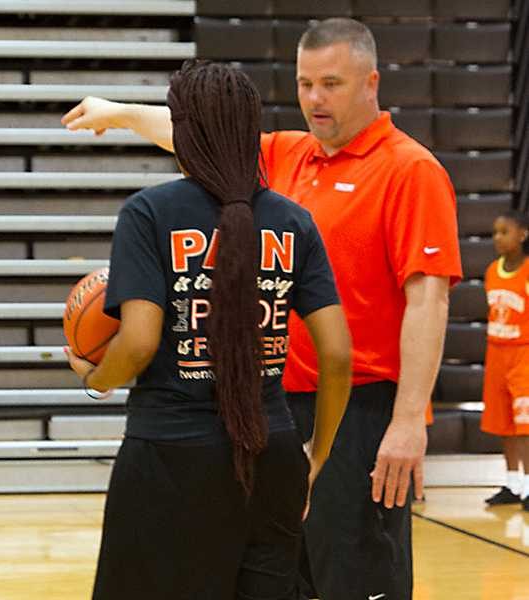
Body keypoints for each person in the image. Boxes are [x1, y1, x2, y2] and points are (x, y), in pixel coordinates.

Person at [62, 18, 462, 600]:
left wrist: (406, 422)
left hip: (360, 410)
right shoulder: (286, 156)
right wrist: (119, 112)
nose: (314, 99)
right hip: (272, 407)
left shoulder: (411, 169)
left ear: (372, 82)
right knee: (286, 578)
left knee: (351, 575)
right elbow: (201, 134)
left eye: (332, 83)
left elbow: (430, 301)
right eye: (304, 84)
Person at [65, 60, 351, 599]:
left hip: (170, 456)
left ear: (183, 131)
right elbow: (337, 355)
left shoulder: (149, 213)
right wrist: (318, 455)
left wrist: (95, 378)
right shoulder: (294, 221)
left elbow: (141, 340)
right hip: (274, 453)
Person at [481, 210, 529, 511]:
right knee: (503, 424)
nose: (498, 238)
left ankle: (528, 485)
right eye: (495, 232)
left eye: (504, 232)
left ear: (522, 235)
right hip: (496, 351)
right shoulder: (491, 270)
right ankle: (512, 483)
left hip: (524, 352)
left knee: (525, 424)